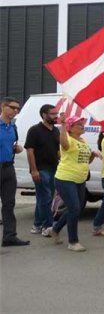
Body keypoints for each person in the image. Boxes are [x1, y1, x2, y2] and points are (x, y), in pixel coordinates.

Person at [50, 115, 102, 252]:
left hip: (80, 179)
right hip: (66, 178)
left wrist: (92, 155)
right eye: (78, 124)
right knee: (74, 209)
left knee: (76, 209)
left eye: (82, 123)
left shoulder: (83, 141)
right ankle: (73, 242)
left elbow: (86, 161)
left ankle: (55, 229)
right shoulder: (68, 140)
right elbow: (63, 143)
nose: (82, 125)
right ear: (70, 128)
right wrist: (62, 124)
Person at [25, 104, 60, 238]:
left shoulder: (56, 131)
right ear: (44, 115)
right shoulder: (34, 130)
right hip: (41, 169)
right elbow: (30, 150)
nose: (55, 116)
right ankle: (48, 226)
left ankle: (37, 225)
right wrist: (34, 170)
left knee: (44, 198)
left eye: (56, 113)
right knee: (46, 198)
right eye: (52, 114)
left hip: (54, 169)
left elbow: (58, 151)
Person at [0, 97, 29, 247]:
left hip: (8, 167)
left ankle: (10, 236)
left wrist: (16, 149)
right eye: (12, 107)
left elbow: (12, 144)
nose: (15, 111)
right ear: (3, 107)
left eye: (17, 108)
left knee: (9, 203)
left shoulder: (13, 127)